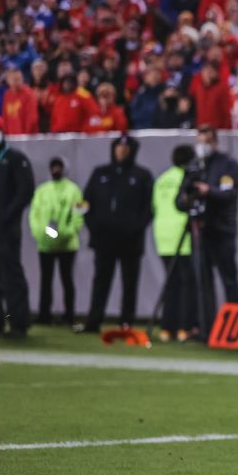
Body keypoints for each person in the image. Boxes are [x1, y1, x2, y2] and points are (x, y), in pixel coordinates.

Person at [79, 133, 153, 332]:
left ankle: (126, 322)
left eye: (126, 148)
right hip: (104, 239)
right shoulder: (100, 173)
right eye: (118, 148)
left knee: (129, 283)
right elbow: (84, 203)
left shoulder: (142, 175)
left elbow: (149, 208)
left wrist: (135, 228)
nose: (121, 151)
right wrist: (93, 225)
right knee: (100, 281)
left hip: (131, 241)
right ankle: (94, 320)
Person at [177, 125, 238, 331]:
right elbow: (179, 200)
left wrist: (209, 191)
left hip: (222, 229)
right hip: (200, 230)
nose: (202, 146)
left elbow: (229, 194)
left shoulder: (228, 164)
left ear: (215, 142)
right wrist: (188, 197)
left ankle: (236, 328)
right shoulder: (194, 166)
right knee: (203, 282)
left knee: (229, 279)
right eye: (200, 141)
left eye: (206, 141)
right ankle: (207, 329)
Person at [28, 157, 84, 325]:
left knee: (67, 280)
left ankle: (69, 315)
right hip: (46, 244)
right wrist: (41, 234)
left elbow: (79, 214)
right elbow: (34, 216)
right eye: (53, 167)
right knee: (46, 281)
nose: (56, 170)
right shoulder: (42, 191)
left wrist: (66, 233)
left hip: (67, 245)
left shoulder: (74, 190)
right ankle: (44, 314)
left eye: (59, 167)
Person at [153, 145, 196, 342]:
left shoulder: (161, 179)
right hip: (182, 235)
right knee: (186, 283)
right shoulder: (186, 179)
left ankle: (165, 328)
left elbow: (154, 207)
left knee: (170, 283)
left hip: (162, 236)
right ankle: (183, 328)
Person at [0, 132, 34, 338]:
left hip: (7, 230)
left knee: (11, 276)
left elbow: (25, 191)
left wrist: (5, 217)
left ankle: (18, 323)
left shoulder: (15, 159)